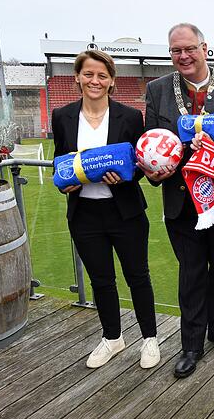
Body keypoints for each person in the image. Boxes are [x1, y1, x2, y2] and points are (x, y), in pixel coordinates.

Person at [143, 23, 214, 378]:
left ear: (204, 48)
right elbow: (150, 143)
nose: (183, 56)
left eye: (189, 48)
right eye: (176, 51)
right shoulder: (157, 90)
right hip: (181, 200)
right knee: (191, 273)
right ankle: (191, 345)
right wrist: (152, 172)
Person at [52, 50, 159, 369]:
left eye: (101, 75)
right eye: (88, 74)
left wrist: (124, 176)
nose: (94, 81)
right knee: (101, 280)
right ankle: (113, 338)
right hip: (84, 214)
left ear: (111, 80)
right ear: (77, 77)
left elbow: (141, 164)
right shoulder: (62, 116)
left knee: (138, 276)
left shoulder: (129, 116)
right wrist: (64, 183)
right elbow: (62, 162)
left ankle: (150, 339)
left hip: (125, 212)